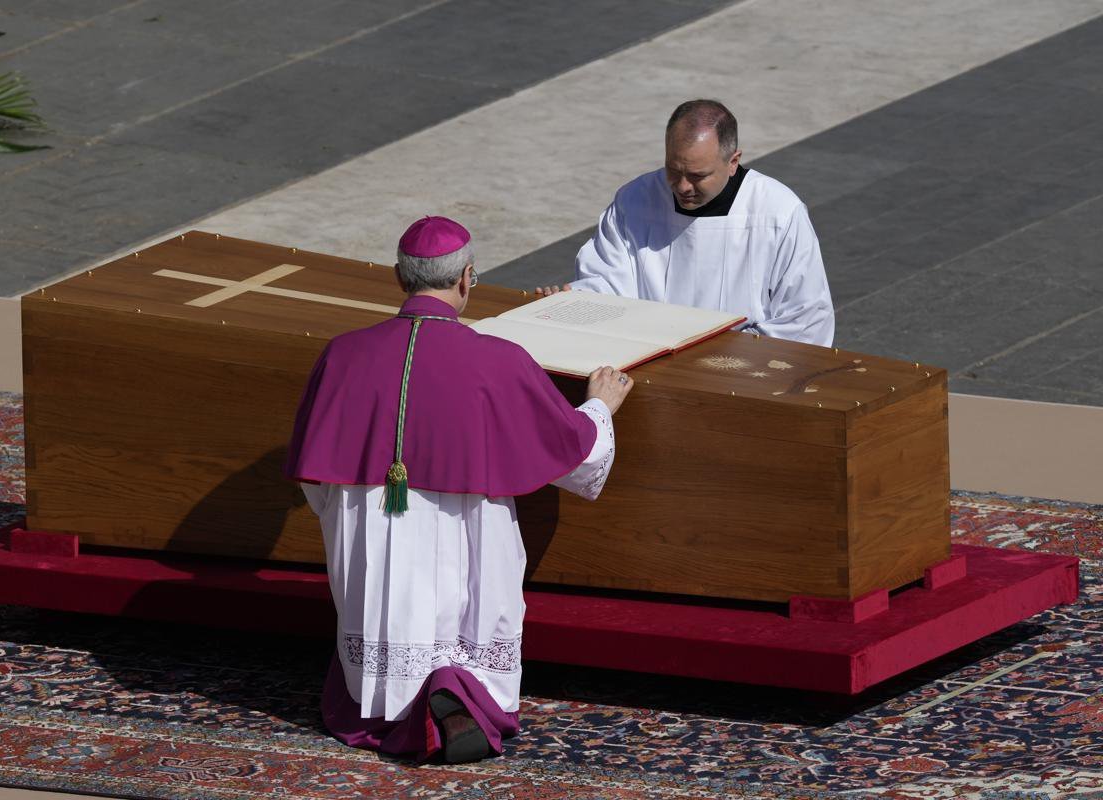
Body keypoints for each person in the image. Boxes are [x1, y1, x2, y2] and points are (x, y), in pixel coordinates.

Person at [284, 216, 633, 763]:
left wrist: (354, 511)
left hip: (373, 530)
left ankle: (388, 704)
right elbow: (573, 451)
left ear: (399, 276)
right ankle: (460, 695)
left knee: (386, 605)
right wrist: (599, 407)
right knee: (466, 602)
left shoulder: (343, 354)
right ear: (468, 277)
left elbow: (315, 478)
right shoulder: (499, 360)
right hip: (467, 527)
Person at [537, 99, 834, 346]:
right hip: (647, 358)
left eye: (697, 175)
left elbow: (803, 318)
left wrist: (720, 356)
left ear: (732, 162)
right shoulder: (635, 199)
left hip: (741, 370)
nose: (682, 187)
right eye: (673, 170)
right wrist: (573, 302)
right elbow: (607, 282)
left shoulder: (778, 213)